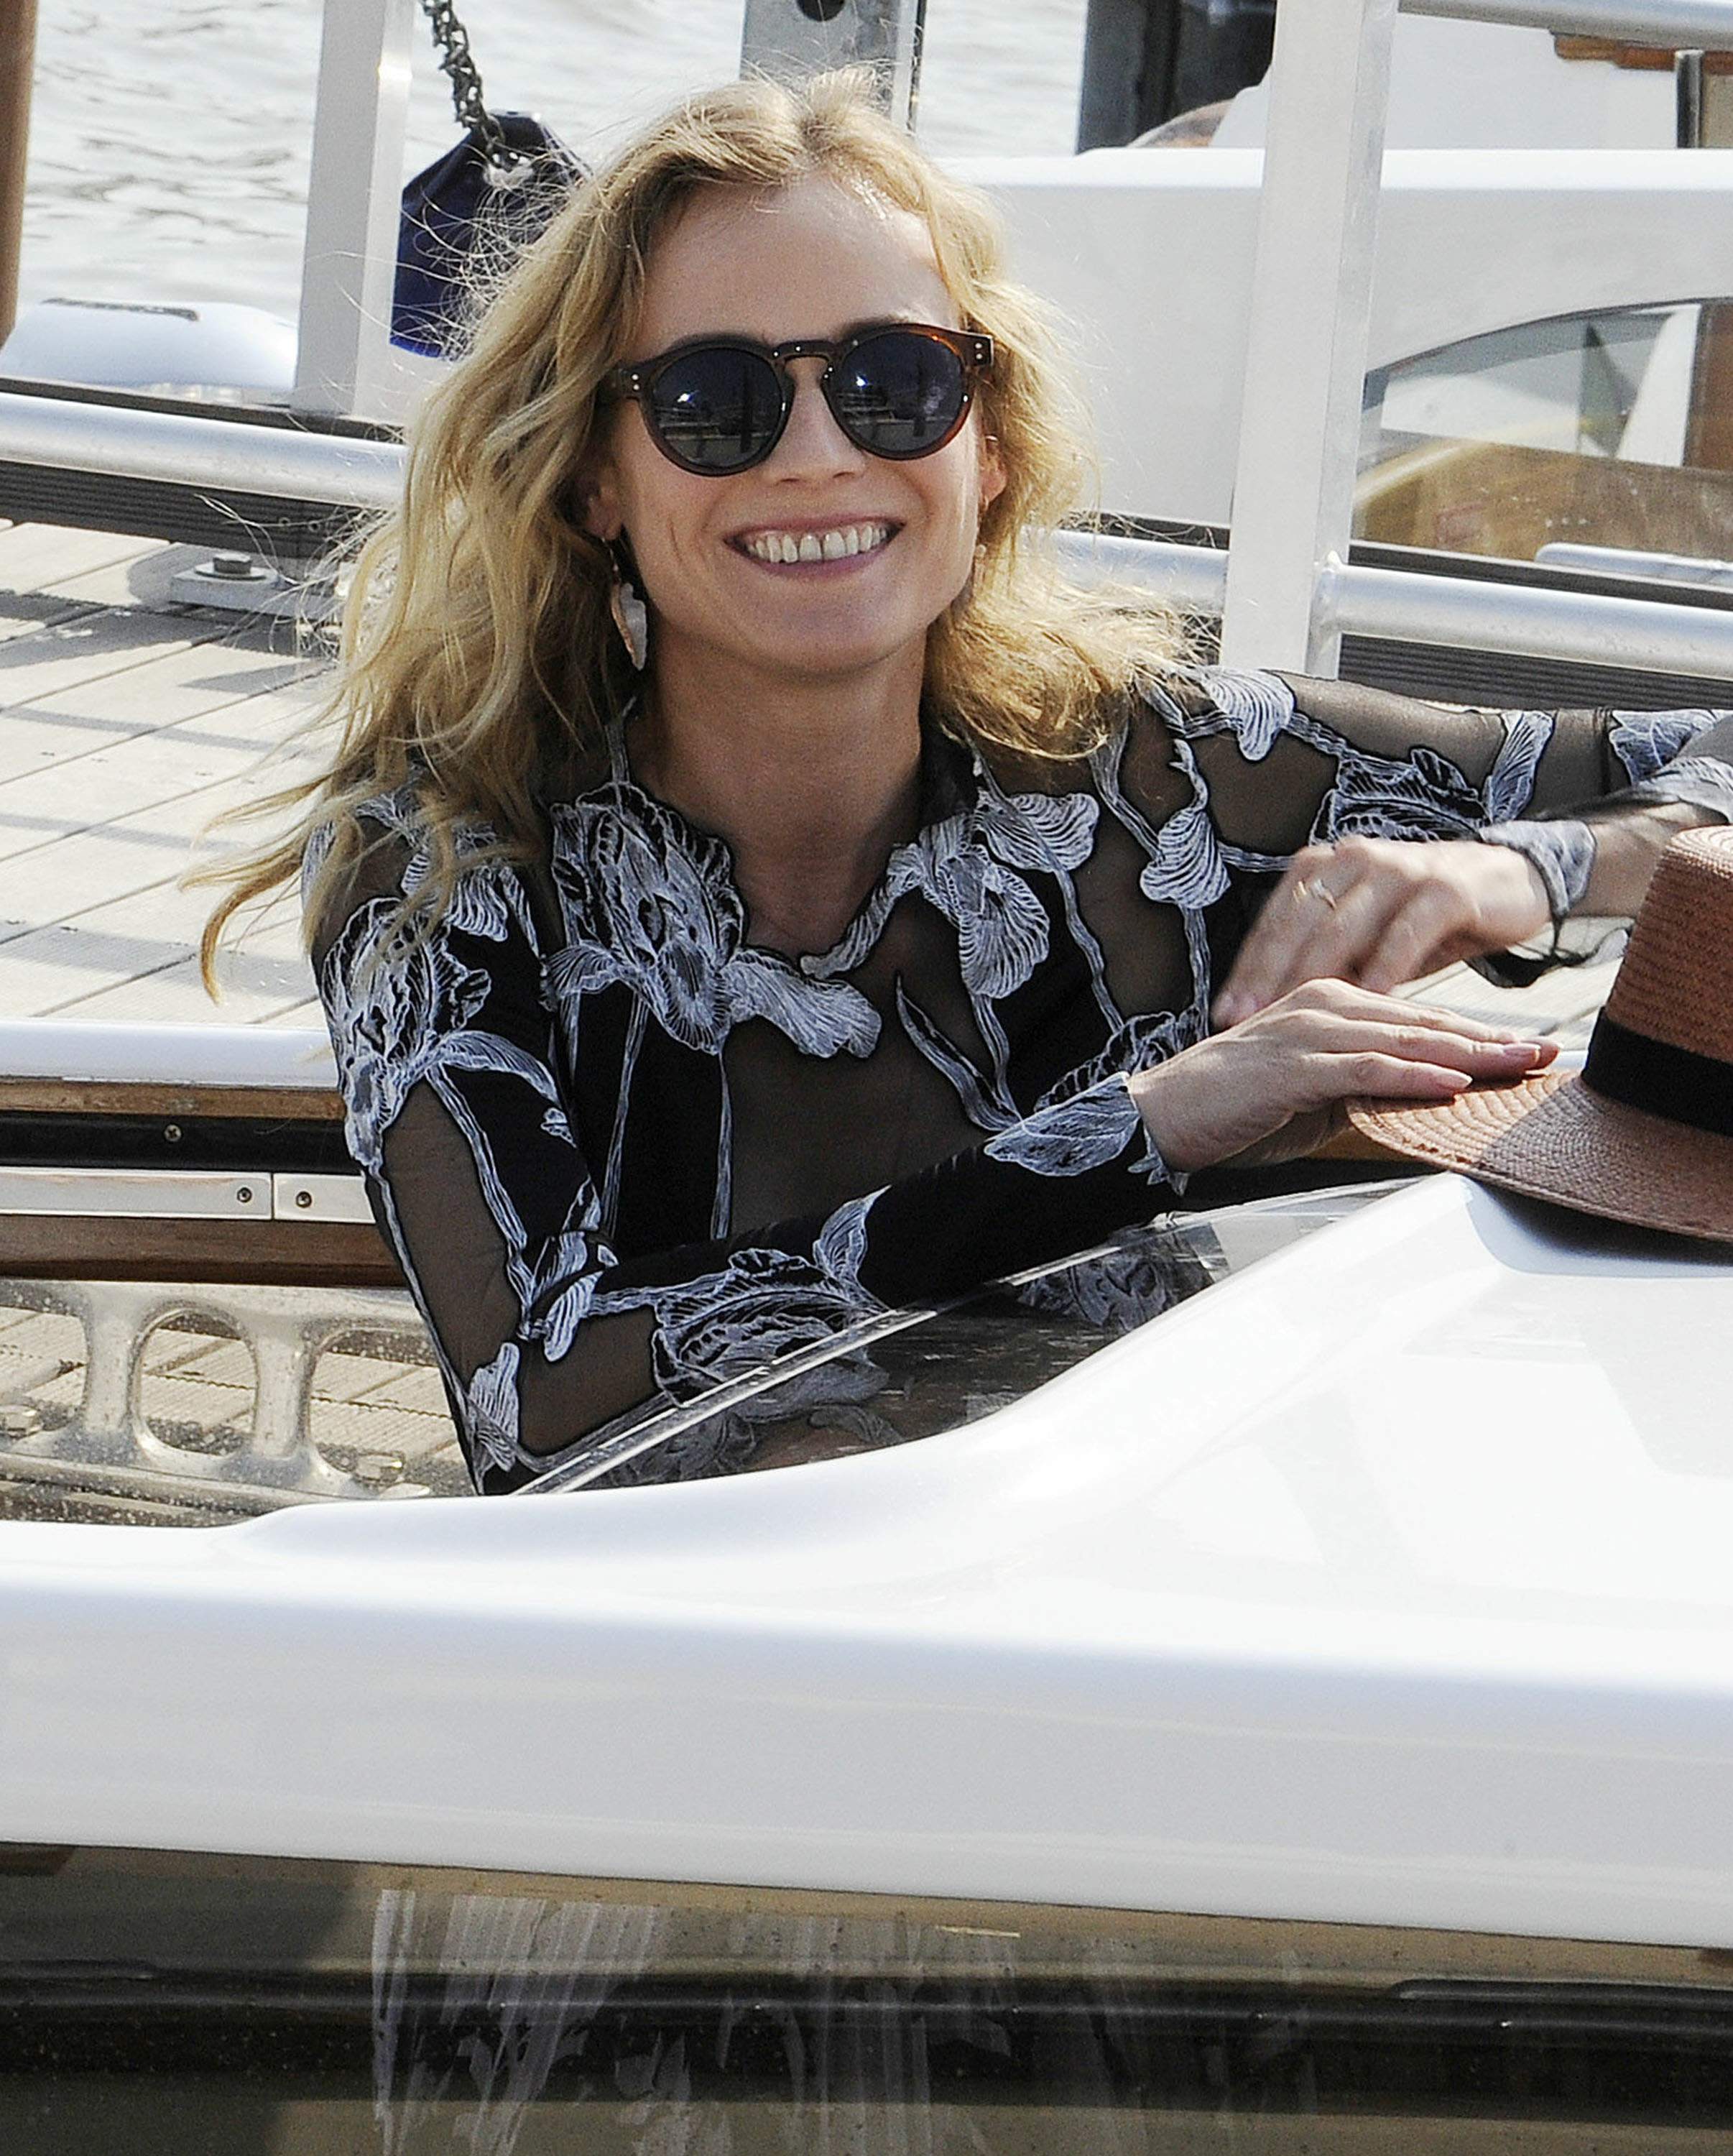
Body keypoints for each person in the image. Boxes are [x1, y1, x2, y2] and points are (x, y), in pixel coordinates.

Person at [201, 72, 1733, 1494]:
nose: (817, 455)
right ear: (596, 474)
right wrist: (1148, 1129)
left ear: (989, 445)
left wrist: (1526, 871)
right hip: (669, 1651)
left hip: (1119, 1599)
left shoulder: (1173, 784)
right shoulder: (443, 868)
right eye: (715, 402)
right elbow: (536, 1403)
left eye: (895, 382)